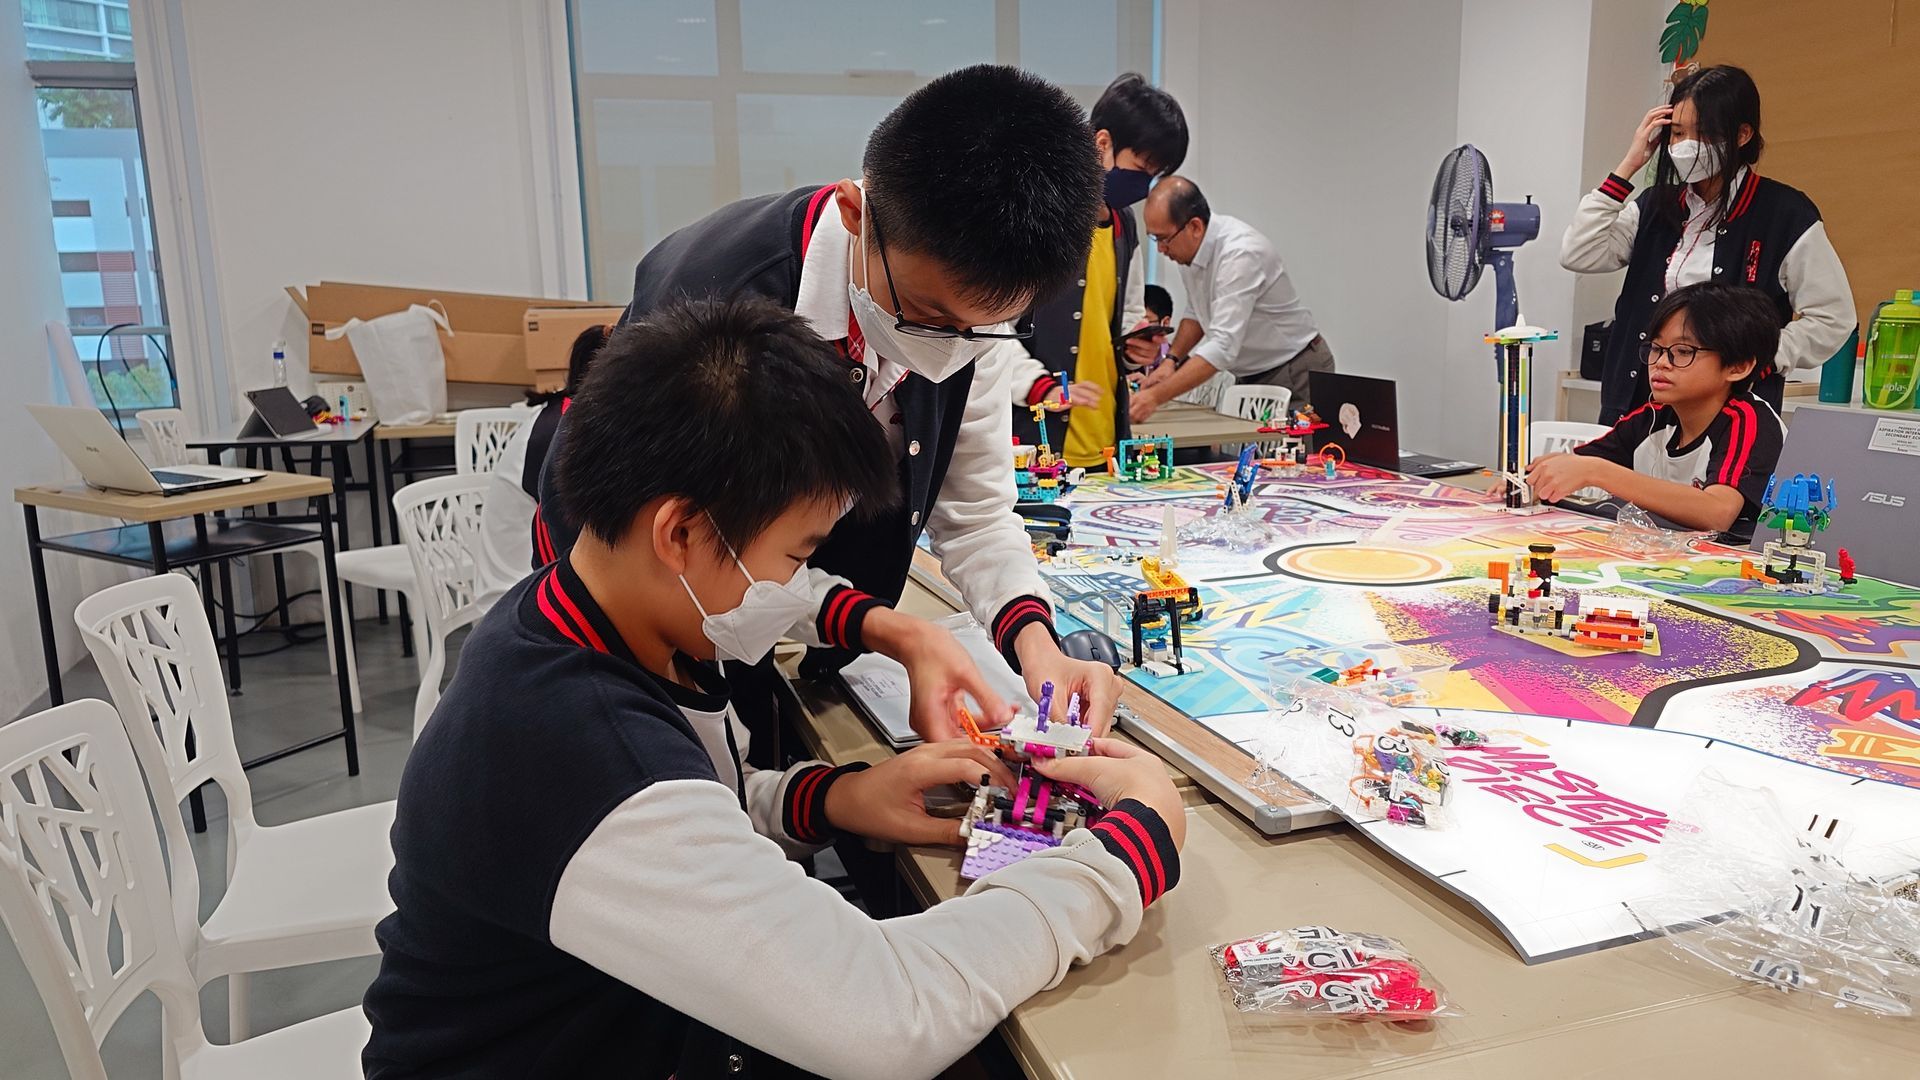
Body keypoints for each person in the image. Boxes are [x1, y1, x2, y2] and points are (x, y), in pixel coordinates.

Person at [362, 298, 1186, 1080]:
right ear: (680, 532)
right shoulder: (577, 746)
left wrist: (834, 798)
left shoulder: (586, 617)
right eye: (794, 556)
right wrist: (1129, 850)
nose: (796, 589)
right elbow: (885, 1016)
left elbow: (695, 807)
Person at [535, 64, 1120, 740]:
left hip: (794, 605)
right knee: (709, 758)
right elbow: (699, 561)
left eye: (982, 329)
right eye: (927, 313)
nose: (950, 351)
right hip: (653, 627)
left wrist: (1035, 647)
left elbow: (978, 513)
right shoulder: (719, 313)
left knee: (785, 768)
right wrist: (891, 630)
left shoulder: (968, 321)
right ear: (855, 213)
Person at [1560, 64, 1853, 424]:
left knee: (1711, 483)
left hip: (1729, 412)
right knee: (1621, 480)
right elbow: (1579, 252)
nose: (1685, 147)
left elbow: (1834, 318)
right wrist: (1628, 165)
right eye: (1677, 133)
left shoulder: (1785, 213)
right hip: (1637, 403)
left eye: (1701, 133)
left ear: (1742, 134)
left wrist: (1761, 353)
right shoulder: (1655, 205)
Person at [1007, 73, 1188, 467]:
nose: (1145, 184)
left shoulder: (1125, 226)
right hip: (1035, 442)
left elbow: (1125, 323)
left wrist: (1135, 350)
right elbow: (988, 333)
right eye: (1141, 167)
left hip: (1106, 441)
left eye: (1155, 173)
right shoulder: (1037, 217)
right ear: (1102, 143)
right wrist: (1038, 386)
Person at [1527, 282, 1785, 538]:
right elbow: (1579, 463)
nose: (1661, 363)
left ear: (1738, 367)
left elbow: (1718, 512)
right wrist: (1535, 479)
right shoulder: (1653, 417)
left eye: (1683, 351)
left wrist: (1596, 472)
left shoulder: (1749, 421)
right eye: (1657, 349)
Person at [1130, 176, 1334, 423]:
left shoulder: (1240, 254)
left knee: (1299, 459)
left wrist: (1154, 397)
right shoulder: (1190, 251)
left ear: (1194, 227)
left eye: (1163, 239)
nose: (1161, 250)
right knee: (1252, 458)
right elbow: (1197, 312)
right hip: (1251, 372)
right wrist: (1171, 361)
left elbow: (1223, 346)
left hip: (1294, 368)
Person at [475, 322, 608, 607]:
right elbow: (574, 542)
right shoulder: (560, 434)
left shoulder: (570, 418)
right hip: (515, 598)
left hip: (536, 581)